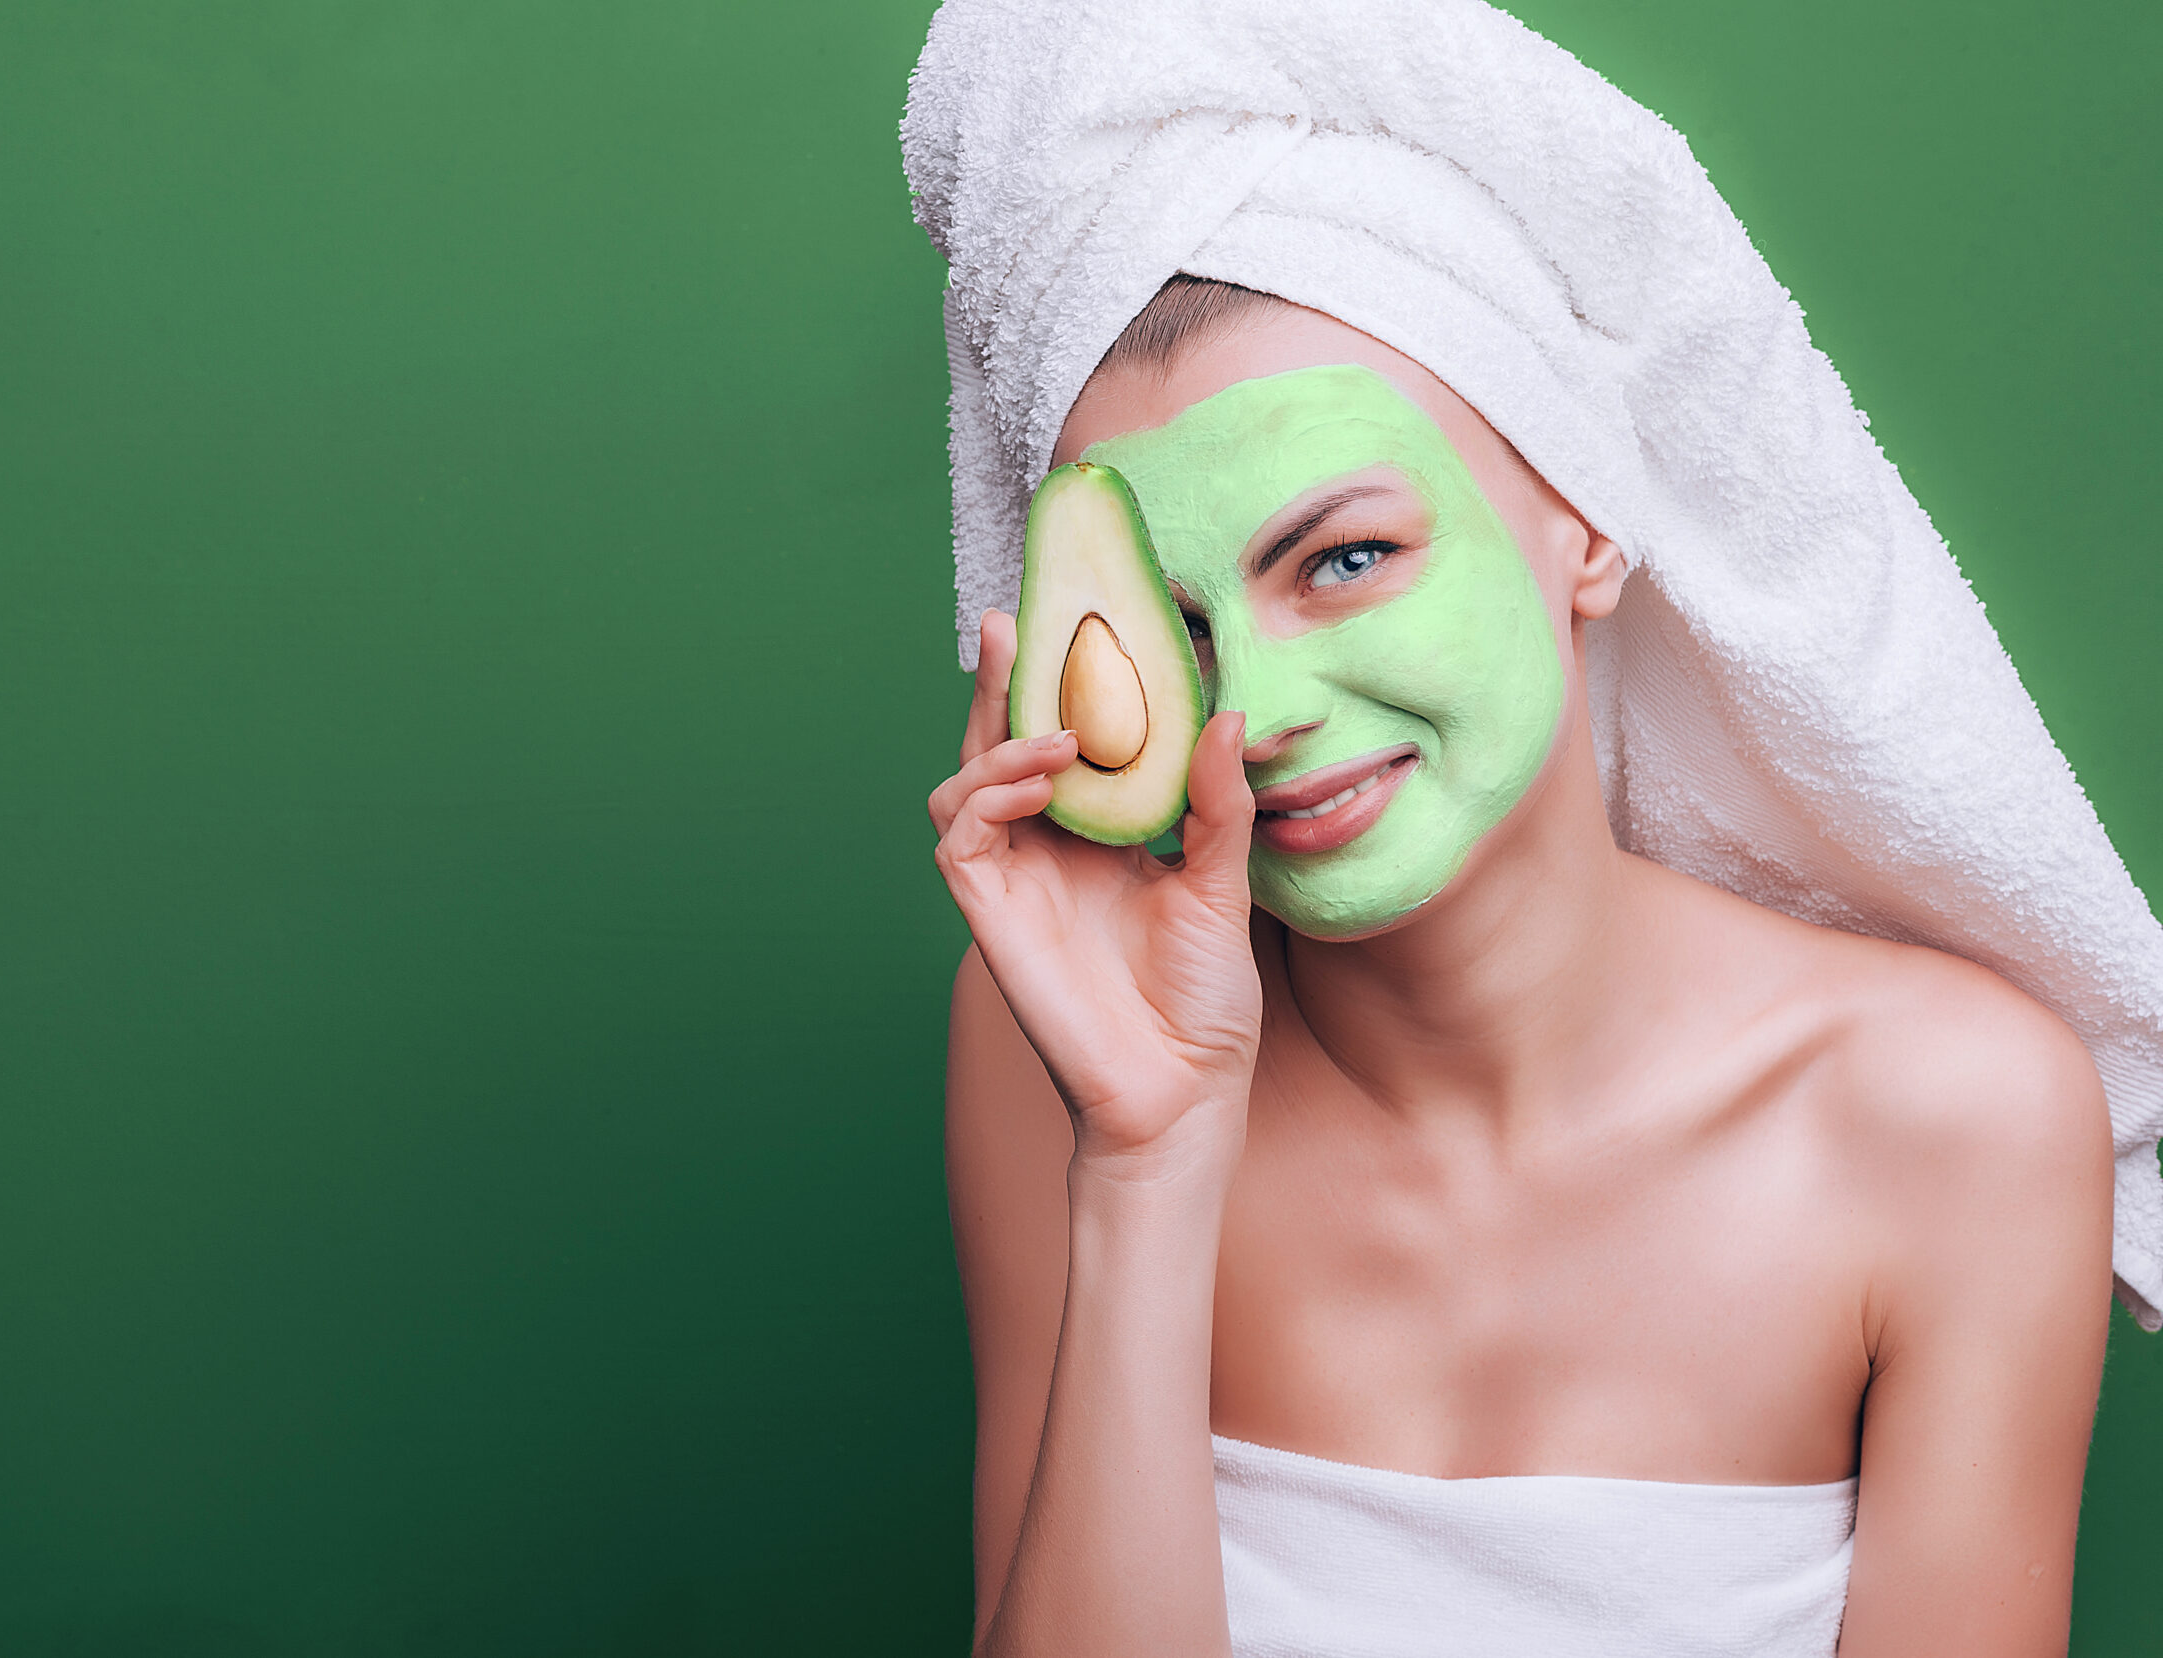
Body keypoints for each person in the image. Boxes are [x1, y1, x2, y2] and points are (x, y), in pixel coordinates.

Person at [904, 3, 2163, 1655]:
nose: (1255, 710)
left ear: (1583, 522)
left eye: (1344, 556)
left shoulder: (1953, 1118)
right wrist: (1146, 1161)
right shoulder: (1056, 1047)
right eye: (1174, 631)